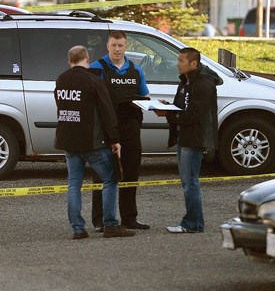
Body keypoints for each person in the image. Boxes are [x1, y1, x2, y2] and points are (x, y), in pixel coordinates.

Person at [55, 45, 136, 239]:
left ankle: (77, 229)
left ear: (69, 61)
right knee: (110, 179)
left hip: (68, 140)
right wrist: (115, 139)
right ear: (87, 59)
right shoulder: (94, 81)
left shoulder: (61, 79)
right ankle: (110, 224)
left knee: (74, 184)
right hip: (92, 142)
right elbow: (107, 113)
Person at [90, 30, 151, 232]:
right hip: (105, 130)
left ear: (126, 46)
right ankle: (100, 220)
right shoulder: (96, 68)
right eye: (114, 45)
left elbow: (145, 96)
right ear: (108, 46)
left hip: (130, 129)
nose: (117, 49)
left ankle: (129, 219)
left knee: (131, 173)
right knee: (103, 174)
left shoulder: (135, 70)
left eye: (121, 45)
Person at [154, 47, 220, 233]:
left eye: (182, 60)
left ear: (194, 63)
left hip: (194, 139)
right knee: (188, 181)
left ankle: (193, 224)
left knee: (190, 182)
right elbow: (182, 107)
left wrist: (168, 114)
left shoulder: (203, 84)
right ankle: (193, 222)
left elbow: (193, 116)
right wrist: (168, 108)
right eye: (178, 60)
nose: (178, 63)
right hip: (184, 137)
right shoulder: (185, 82)